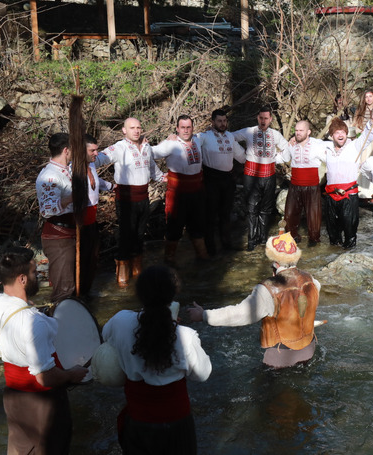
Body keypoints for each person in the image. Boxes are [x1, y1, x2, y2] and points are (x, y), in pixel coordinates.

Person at [0, 247, 88, 455]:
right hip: (43, 404)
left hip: (13, 398)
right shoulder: (34, 323)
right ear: (22, 279)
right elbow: (44, 377)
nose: (38, 276)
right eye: (33, 273)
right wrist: (71, 375)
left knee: (20, 450)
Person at [102, 265, 212, 455]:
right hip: (176, 423)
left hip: (138, 420)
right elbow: (202, 374)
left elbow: (106, 338)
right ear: (172, 296)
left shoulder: (120, 321)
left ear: (140, 294)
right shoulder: (185, 336)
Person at [188, 230, 321, 368]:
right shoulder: (311, 280)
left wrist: (204, 315)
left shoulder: (267, 290)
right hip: (309, 350)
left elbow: (240, 314)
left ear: (275, 264)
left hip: (280, 358)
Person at [95, 117, 165, 287]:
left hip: (143, 198)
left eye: (139, 127)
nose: (136, 130)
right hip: (126, 200)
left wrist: (164, 177)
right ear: (124, 130)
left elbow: (152, 170)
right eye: (132, 127)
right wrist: (86, 156)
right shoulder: (119, 148)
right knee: (126, 236)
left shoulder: (147, 146)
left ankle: (137, 270)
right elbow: (98, 159)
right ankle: (122, 275)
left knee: (140, 235)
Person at [321, 108, 373, 249]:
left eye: (343, 132)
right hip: (331, 196)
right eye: (337, 133)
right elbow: (309, 142)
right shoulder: (326, 147)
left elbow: (368, 134)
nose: (340, 135)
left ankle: (349, 258)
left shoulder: (355, 146)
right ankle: (333, 258)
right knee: (333, 233)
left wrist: (372, 121)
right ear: (332, 135)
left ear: (347, 134)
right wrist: (294, 140)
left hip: (349, 195)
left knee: (350, 230)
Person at [153, 115, 210, 263]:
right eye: (182, 127)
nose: (186, 130)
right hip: (178, 194)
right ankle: (169, 261)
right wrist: (158, 176)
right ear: (177, 128)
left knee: (198, 225)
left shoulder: (197, 139)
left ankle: (202, 258)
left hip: (197, 192)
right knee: (174, 228)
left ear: (193, 128)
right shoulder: (170, 144)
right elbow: (148, 154)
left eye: (188, 127)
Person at [232, 106, 289, 251]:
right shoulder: (248, 131)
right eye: (261, 118)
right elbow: (229, 137)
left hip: (269, 175)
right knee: (252, 208)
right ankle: (252, 240)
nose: (263, 121)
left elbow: (287, 149)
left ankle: (263, 238)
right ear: (258, 118)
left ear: (270, 119)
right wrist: (241, 155)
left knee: (266, 207)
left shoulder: (275, 135)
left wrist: (277, 159)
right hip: (251, 175)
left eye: (266, 118)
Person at [36, 132, 78, 304]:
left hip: (70, 231)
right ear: (66, 150)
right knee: (64, 290)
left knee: (71, 286)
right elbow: (47, 209)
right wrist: (75, 196)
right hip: (58, 235)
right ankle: (58, 325)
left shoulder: (66, 169)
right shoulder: (49, 176)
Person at [196, 109, 245, 255]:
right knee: (210, 215)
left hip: (228, 180)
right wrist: (175, 138)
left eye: (224, 121)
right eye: (219, 121)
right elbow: (187, 143)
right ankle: (210, 248)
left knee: (226, 213)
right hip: (211, 179)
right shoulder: (204, 137)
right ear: (212, 122)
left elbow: (242, 157)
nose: (222, 124)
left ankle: (226, 244)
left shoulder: (230, 137)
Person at [78, 134, 114, 298]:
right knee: (82, 258)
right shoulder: (72, 168)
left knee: (92, 257)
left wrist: (111, 186)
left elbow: (95, 181)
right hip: (79, 221)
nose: (96, 153)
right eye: (92, 150)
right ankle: (76, 294)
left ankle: (86, 292)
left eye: (97, 149)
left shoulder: (91, 164)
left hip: (92, 219)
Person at [280, 120, 326, 246]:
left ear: (308, 132)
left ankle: (314, 241)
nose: (298, 133)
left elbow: (329, 159)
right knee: (289, 215)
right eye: (296, 130)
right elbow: (284, 158)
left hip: (311, 186)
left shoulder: (317, 145)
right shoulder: (291, 144)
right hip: (295, 185)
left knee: (313, 216)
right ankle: (292, 237)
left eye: (301, 130)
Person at [348, 91, 373, 201]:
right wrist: (360, 132)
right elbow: (354, 125)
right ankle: (362, 192)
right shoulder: (359, 110)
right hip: (362, 141)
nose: (368, 99)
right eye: (366, 97)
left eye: (370, 96)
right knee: (362, 165)